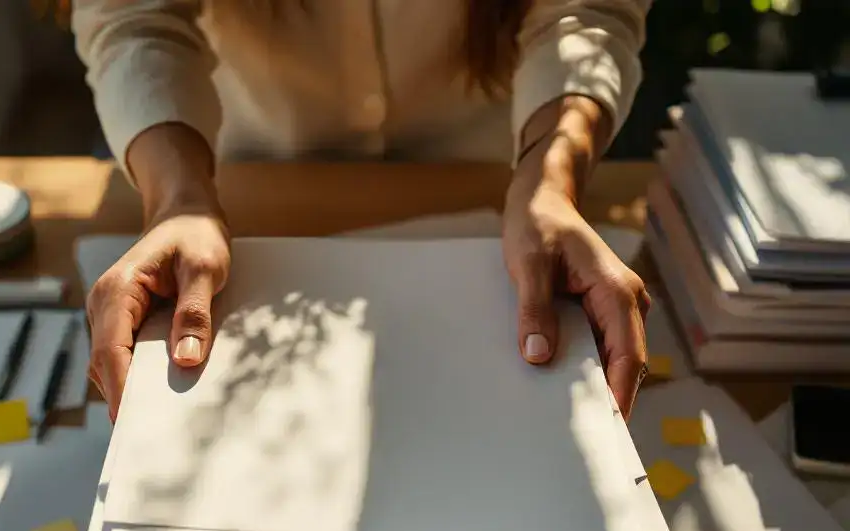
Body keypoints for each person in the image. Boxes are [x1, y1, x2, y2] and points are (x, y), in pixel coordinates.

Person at [73, 0, 652, 422]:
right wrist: (177, 201)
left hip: (493, 177)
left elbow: (584, 14)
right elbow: (136, 19)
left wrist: (549, 181)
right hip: (244, 180)